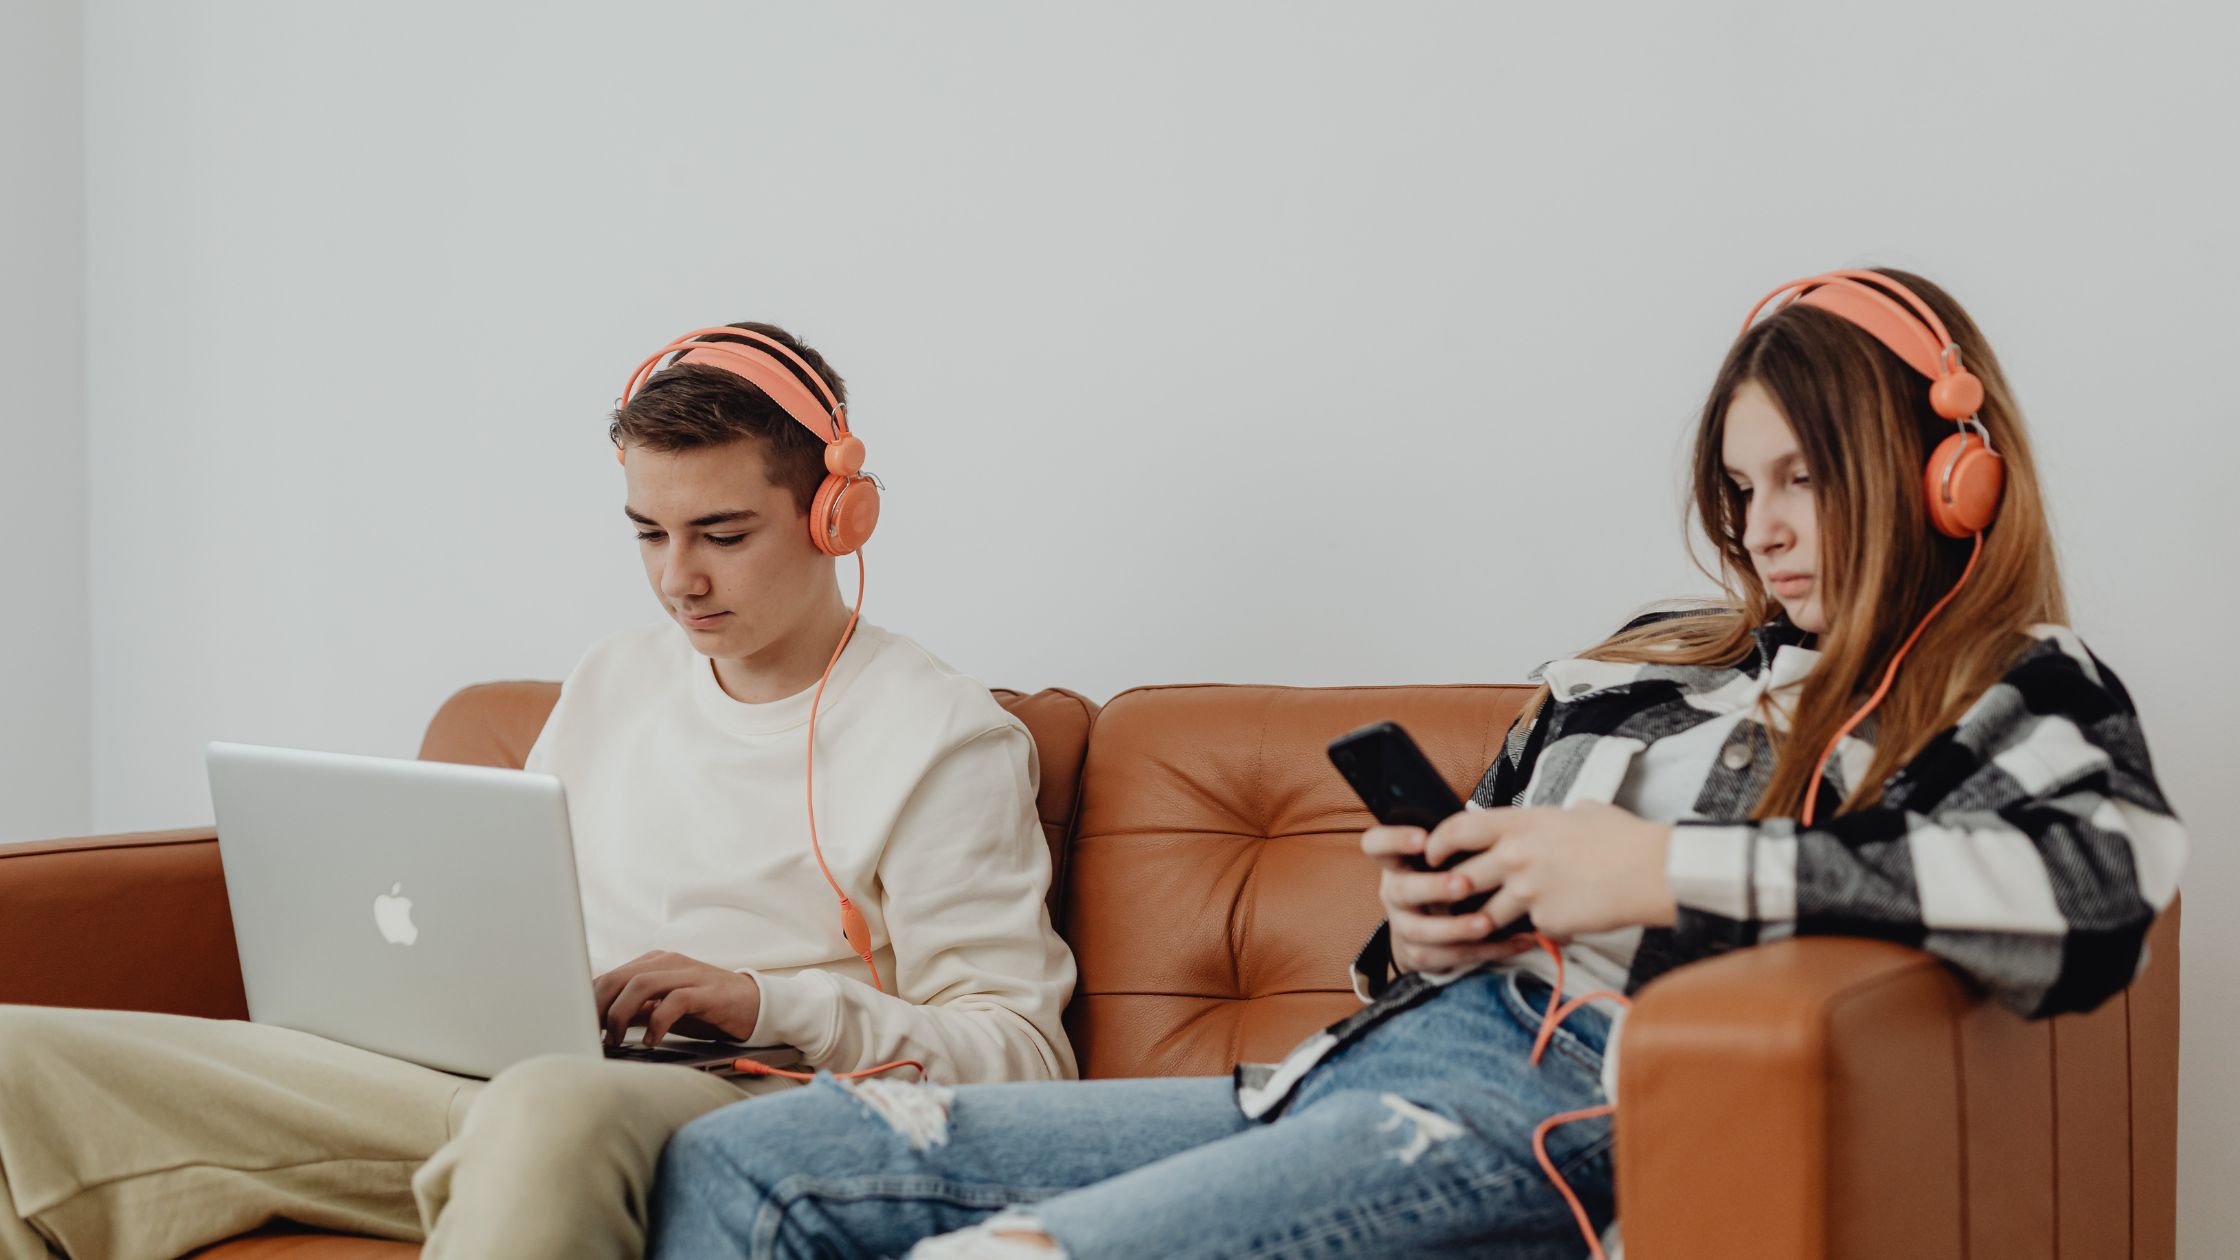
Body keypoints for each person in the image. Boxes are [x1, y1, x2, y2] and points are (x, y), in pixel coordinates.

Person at [644, 271, 2187, 1260]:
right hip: (1369, 1065)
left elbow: (2106, 885)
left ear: (1945, 473)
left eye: (1805, 478)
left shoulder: (2007, 681)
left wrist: (1655, 872)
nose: (1768, 526)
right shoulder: (1627, 674)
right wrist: (1442, 923)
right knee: (756, 1163)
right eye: (1742, 485)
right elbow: (1404, 959)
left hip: (1574, 1097)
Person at [0, 323, 1077, 1260]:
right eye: (648, 534)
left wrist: (763, 999)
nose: (677, 580)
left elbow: (1025, 1061)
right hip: (514, 1079)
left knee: (548, 1106)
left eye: (722, 534)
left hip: (735, 1099)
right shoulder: (616, 678)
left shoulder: (940, 736)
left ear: (835, 515)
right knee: (20, 1062)